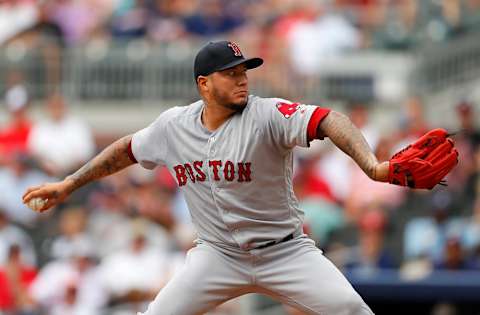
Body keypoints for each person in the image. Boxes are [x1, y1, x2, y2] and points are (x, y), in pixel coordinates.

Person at [23, 41, 456, 315]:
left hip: (285, 253)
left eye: (244, 71)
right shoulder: (174, 126)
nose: (242, 79)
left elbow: (329, 120)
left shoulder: (266, 114)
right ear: (204, 84)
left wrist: (372, 165)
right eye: (231, 73)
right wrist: (68, 184)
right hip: (217, 256)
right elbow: (124, 151)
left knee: (350, 309)